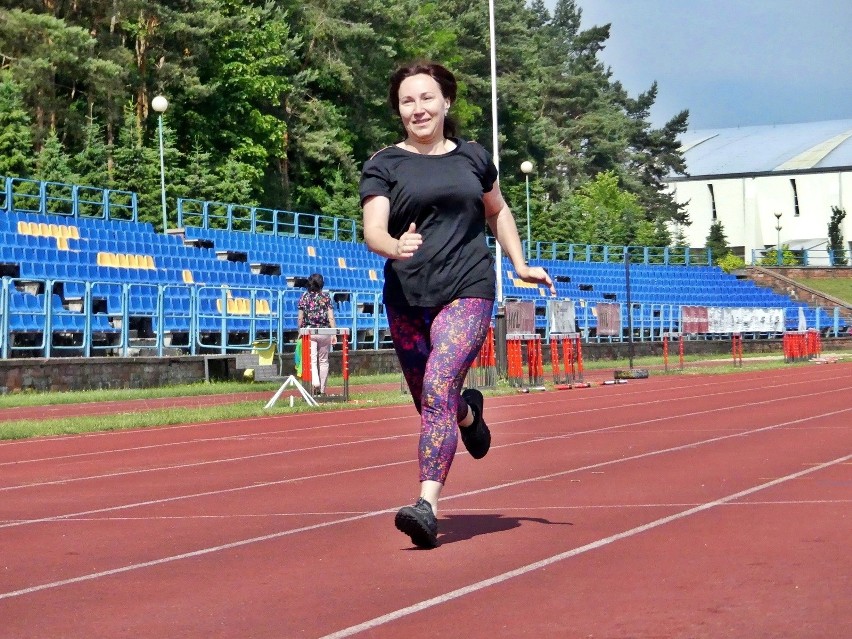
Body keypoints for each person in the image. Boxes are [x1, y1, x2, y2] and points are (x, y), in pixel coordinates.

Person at [359, 61, 555, 548]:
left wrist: (520, 262)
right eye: (408, 101)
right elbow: (373, 228)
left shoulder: (472, 157)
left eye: (427, 98)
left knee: (440, 382)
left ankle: (426, 505)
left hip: (469, 287)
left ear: (446, 102)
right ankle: (469, 415)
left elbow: (498, 208)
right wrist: (391, 246)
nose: (418, 108)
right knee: (434, 402)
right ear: (399, 111)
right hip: (407, 297)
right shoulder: (385, 164)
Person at [296, 273, 336, 395]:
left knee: (312, 360)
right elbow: (331, 317)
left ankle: (315, 383)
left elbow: (300, 318)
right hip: (324, 331)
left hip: (309, 332)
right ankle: (322, 389)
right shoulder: (326, 297)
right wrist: (334, 333)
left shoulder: (304, 297)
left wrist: (300, 331)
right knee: (323, 361)